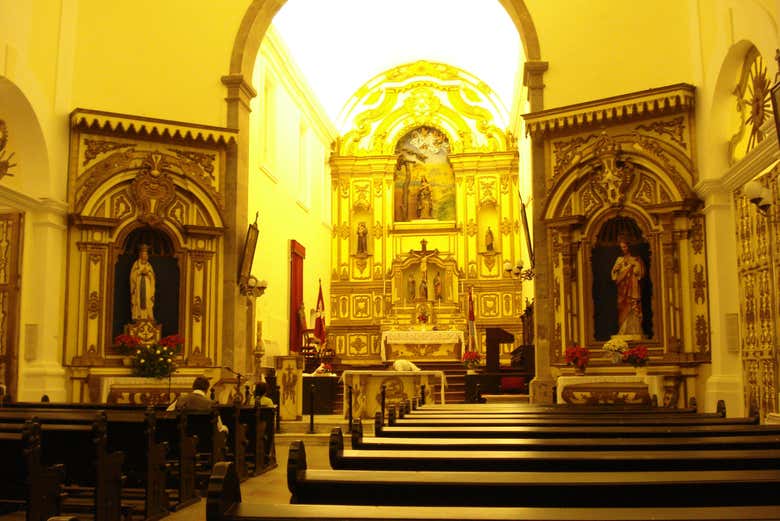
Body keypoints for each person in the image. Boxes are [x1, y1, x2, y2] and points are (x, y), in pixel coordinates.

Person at [611, 238, 646, 336]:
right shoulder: (619, 260)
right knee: (622, 307)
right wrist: (616, 270)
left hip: (632, 287)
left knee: (633, 306)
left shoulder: (636, 259)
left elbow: (639, 274)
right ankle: (622, 330)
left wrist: (634, 266)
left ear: (629, 246)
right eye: (621, 247)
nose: (623, 249)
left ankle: (635, 330)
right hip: (622, 289)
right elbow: (614, 276)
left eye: (625, 246)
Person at [130, 244, 156, 321]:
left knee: (147, 300)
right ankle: (138, 316)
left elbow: (153, 277)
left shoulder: (149, 266)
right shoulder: (136, 264)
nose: (144, 256)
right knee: (138, 300)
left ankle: (148, 316)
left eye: (145, 254)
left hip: (147, 286)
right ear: (140, 255)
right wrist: (140, 272)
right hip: (138, 286)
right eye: (143, 254)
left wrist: (148, 273)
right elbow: (132, 276)